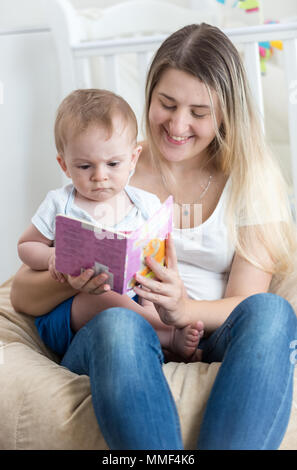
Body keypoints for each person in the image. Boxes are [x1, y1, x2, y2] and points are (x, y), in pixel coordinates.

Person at [11, 23, 297, 450]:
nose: (178, 125)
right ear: (149, 97)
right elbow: (21, 295)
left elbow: (245, 301)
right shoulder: (111, 165)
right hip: (117, 328)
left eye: (199, 113)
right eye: (166, 104)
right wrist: (69, 279)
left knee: (273, 313)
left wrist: (183, 309)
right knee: (119, 323)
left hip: (205, 332)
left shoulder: (251, 179)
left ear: (225, 115)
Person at [17, 88, 204, 359]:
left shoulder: (144, 203)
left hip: (136, 300)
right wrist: (52, 256)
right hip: (71, 312)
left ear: (133, 159)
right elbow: (26, 245)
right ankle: (168, 335)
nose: (100, 176)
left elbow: (157, 255)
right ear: (64, 165)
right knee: (102, 297)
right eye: (84, 167)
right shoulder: (60, 203)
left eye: (113, 163)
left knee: (151, 285)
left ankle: (160, 337)